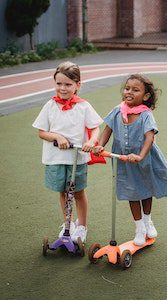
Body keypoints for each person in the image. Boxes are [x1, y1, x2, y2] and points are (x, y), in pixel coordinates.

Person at [95, 74, 167, 246]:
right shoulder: (117, 110)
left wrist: (141, 155)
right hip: (123, 160)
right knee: (131, 192)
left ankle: (148, 220)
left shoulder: (145, 115)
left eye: (135, 90)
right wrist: (100, 145)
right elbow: (107, 130)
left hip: (144, 158)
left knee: (145, 190)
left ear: (146, 96)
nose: (129, 92)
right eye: (127, 88)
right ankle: (139, 227)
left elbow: (149, 137)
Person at [32, 61, 103, 243]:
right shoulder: (50, 105)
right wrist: (56, 136)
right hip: (55, 158)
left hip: (76, 158)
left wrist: (91, 140)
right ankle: (68, 224)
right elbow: (42, 132)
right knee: (63, 192)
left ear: (78, 85)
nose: (62, 88)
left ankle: (82, 226)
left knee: (78, 192)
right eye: (59, 84)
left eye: (68, 84)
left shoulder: (83, 106)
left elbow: (95, 128)